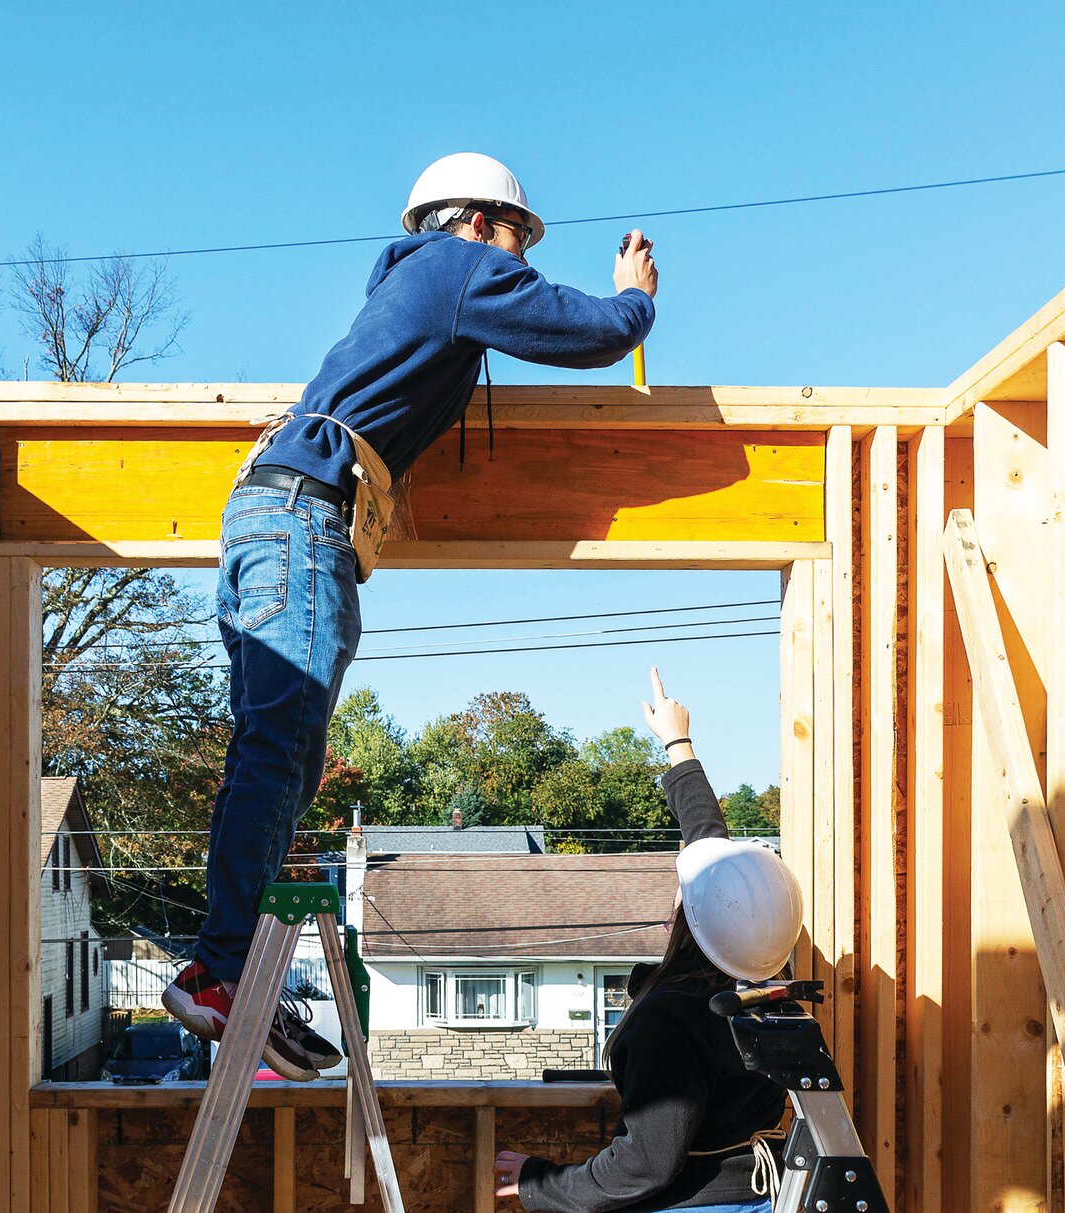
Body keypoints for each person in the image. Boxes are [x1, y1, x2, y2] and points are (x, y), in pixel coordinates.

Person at [163, 153, 660, 1080]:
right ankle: (223, 973)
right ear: (474, 222)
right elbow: (585, 331)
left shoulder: (416, 288)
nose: (518, 260)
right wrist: (635, 302)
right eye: (517, 237)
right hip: (303, 522)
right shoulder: (456, 267)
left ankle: (226, 971)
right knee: (281, 750)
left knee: (277, 752)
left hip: (272, 516)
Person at [492, 669, 803, 1213]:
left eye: (683, 897)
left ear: (689, 923)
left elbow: (644, 1167)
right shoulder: (764, 990)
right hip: (760, 1197)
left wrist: (539, 1183)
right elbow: (722, 870)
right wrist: (678, 746)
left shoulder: (672, 1018)